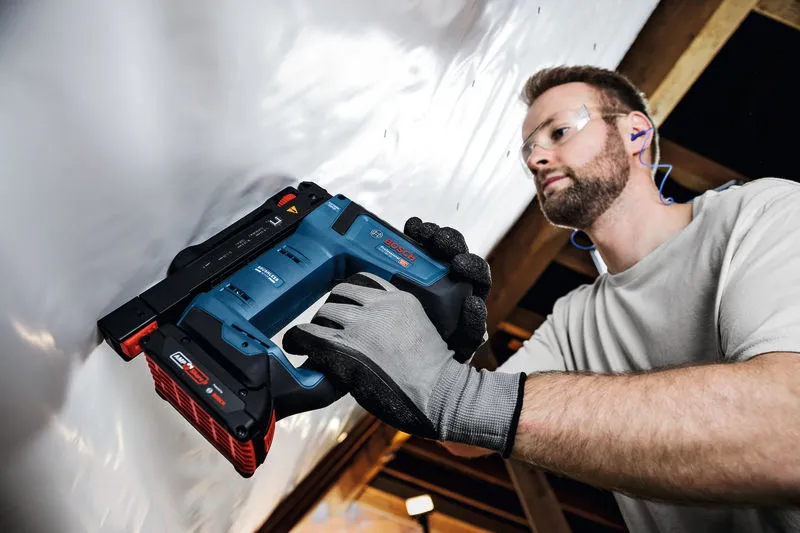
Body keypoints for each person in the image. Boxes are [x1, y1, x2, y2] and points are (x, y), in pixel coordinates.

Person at [284, 65, 800, 532]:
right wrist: (441, 343)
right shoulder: (575, 316)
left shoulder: (761, 215)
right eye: (528, 148)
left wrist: (453, 392)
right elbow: (463, 433)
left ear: (636, 131)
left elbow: (787, 432)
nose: (536, 157)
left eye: (559, 132)